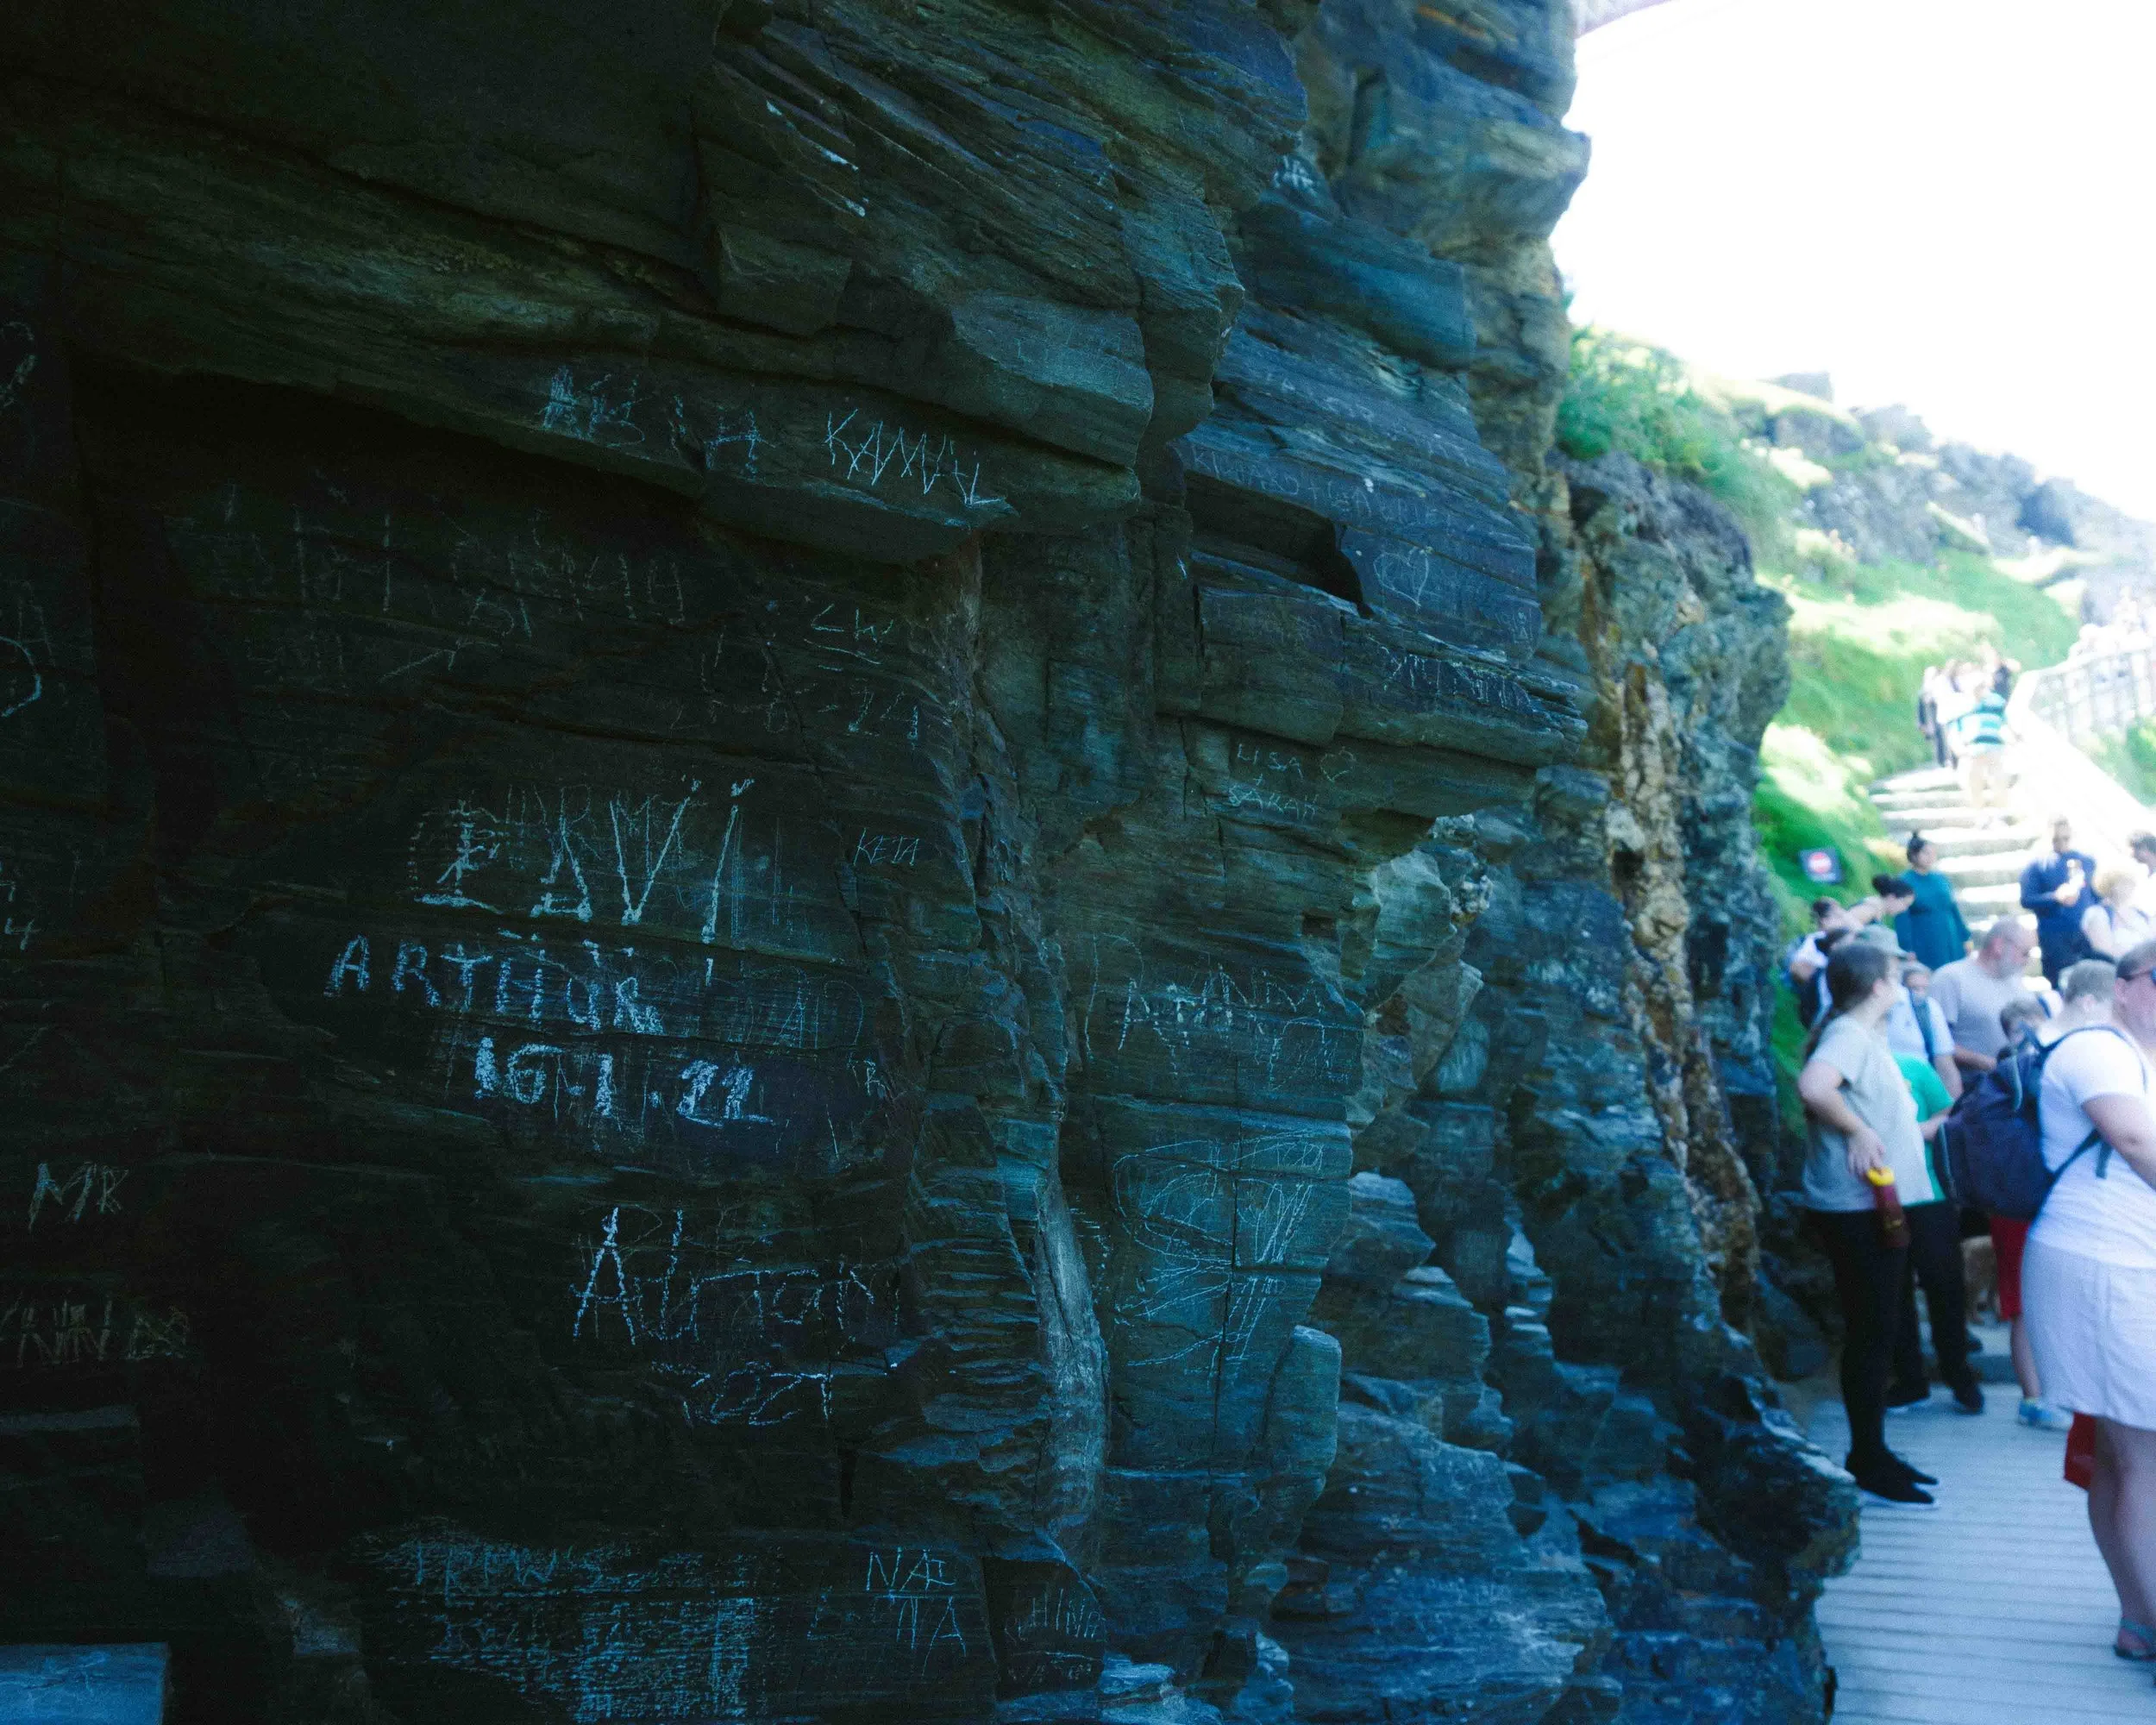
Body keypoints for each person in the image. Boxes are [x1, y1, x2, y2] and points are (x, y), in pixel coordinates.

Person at [2022, 936, 2156, 1662]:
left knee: (2122, 1456)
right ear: (2126, 986)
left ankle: (2140, 1621)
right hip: (2104, 1266)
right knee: (2146, 1460)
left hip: (2127, 1266)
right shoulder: (2098, 1051)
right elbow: (2135, 1139)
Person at [1796, 940, 1945, 1506]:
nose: (1901, 982)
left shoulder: (1859, 1034)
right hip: (1859, 1211)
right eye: (1894, 975)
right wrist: (1857, 1131)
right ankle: (1866, 1457)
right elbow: (1814, 1086)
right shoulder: (1849, 1036)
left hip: (1872, 1207)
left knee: (1879, 1331)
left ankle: (1874, 1451)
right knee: (1871, 1335)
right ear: (1878, 986)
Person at [1994, 961, 2115, 1433]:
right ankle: (2035, 1396)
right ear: (2088, 1000)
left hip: (2027, 1190)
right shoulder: (2054, 1050)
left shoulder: (2035, 1049)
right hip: (2032, 1192)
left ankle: (2049, 1393)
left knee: (2034, 1296)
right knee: (2024, 1299)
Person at [1884, 994, 1983, 1417]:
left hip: (1929, 1192)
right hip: (1878, 1194)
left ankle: (1959, 1374)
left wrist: (1921, 1129)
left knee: (1944, 1283)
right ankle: (1910, 1380)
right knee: (1894, 1287)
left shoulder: (1914, 1067)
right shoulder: (1848, 1072)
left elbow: (1950, 1115)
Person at [1930, 917, 2038, 1077]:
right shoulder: (1952, 979)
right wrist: (1988, 1063)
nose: (2027, 961)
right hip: (1977, 1087)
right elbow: (1934, 1039)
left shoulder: (2015, 979)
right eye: (2025, 953)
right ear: (1999, 946)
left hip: (2020, 1081)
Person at [2021, 819, 2100, 986]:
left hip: (2086, 932)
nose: (2062, 844)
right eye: (2056, 840)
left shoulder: (2087, 861)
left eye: (2066, 838)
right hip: (2054, 934)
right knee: (2061, 983)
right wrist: (2055, 897)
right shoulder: (2037, 865)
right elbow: (2027, 899)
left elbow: (2097, 894)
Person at [1884, 957, 1961, 1102]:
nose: (1919, 993)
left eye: (1924, 988)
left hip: (1918, 1095)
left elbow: (1945, 1064)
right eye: (1914, 988)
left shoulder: (1929, 1009)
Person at [1896, 834, 1971, 970]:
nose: (1930, 857)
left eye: (1933, 853)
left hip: (1950, 936)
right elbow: (1902, 917)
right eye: (1925, 853)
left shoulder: (1940, 879)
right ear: (1914, 855)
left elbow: (1953, 908)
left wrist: (1965, 936)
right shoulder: (1905, 881)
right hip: (1924, 939)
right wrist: (1907, 947)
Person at [1951, 685, 2011, 813]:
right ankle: (1979, 813)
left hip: (1994, 748)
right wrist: (1959, 749)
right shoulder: (1961, 706)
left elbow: (2005, 723)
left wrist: (2011, 741)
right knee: (1972, 783)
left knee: (1998, 781)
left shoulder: (1996, 702)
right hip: (1971, 750)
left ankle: (2000, 813)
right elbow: (1954, 731)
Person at [2084, 865, 2155, 961]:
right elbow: (2104, 953)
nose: (2130, 886)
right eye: (2124, 882)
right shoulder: (2097, 913)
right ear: (2110, 885)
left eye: (2131, 882)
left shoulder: (2141, 914)